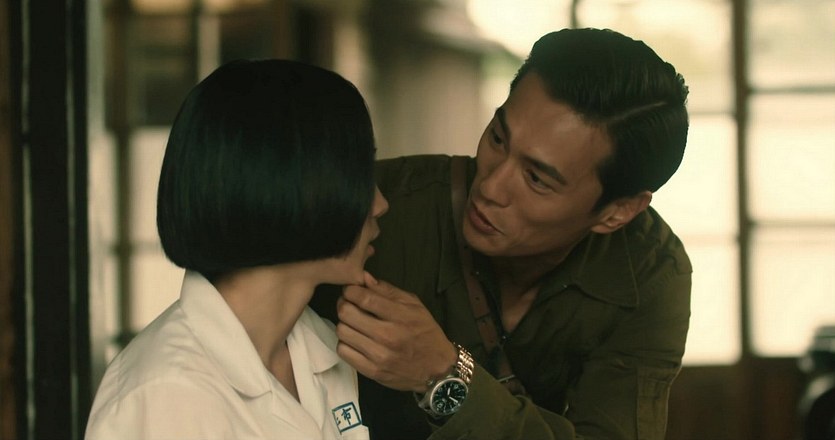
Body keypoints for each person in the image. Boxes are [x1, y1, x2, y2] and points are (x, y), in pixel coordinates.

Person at [311, 27, 691, 439]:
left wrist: (443, 377)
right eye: (497, 138)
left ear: (617, 212)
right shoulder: (377, 207)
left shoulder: (647, 272)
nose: (490, 187)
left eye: (536, 179)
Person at [86, 59, 388, 439]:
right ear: (288, 187)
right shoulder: (168, 395)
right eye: (359, 176)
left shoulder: (325, 348)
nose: (380, 205)